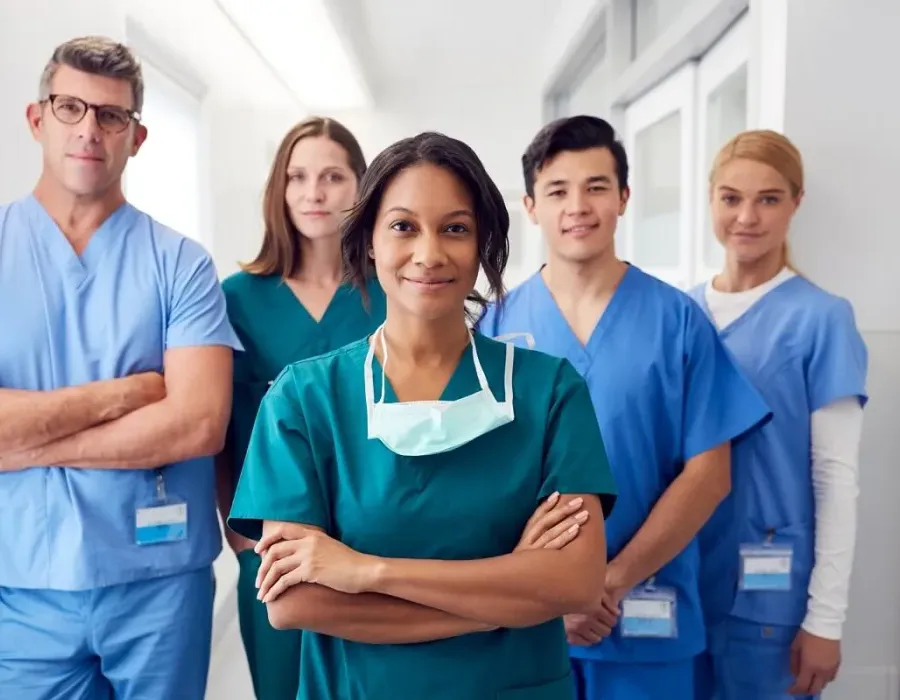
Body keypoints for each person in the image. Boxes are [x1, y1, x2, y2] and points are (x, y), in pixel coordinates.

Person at [226, 131, 619, 700]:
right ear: (366, 242)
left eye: (455, 228)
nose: (429, 253)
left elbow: (576, 583)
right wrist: (506, 596)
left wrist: (366, 572)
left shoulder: (549, 390)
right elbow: (295, 602)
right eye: (404, 226)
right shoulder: (304, 399)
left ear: (483, 242)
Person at [477, 115, 772, 700]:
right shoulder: (493, 327)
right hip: (530, 624)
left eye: (596, 187)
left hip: (645, 612)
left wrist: (608, 582)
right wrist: (552, 593)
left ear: (624, 198)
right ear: (531, 206)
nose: (577, 206)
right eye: (558, 191)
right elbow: (478, 482)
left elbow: (709, 475)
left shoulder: (677, 320)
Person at [0, 36, 241, 699]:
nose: (89, 130)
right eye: (70, 107)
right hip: (21, 586)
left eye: (111, 116)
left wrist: (25, 444)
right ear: (36, 119)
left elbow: (196, 424)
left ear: (136, 136)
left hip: (160, 585)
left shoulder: (180, 264)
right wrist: (124, 396)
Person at [688, 129, 868, 700]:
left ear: (796, 203)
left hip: (772, 600)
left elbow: (836, 479)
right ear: (711, 199)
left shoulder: (822, 320)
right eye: (731, 197)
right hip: (677, 584)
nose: (747, 217)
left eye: (768, 198)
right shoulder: (680, 313)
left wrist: (826, 620)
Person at [216, 116, 385, 700]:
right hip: (275, 554)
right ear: (279, 190)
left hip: (379, 548)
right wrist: (240, 541)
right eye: (298, 176)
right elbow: (221, 430)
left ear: (361, 187)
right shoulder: (235, 300)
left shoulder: (392, 293)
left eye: (333, 176)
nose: (313, 193)